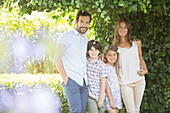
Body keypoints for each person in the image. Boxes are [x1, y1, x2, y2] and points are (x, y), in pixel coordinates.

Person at [55, 10, 91, 113]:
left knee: (82, 110)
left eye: (87, 22)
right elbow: (57, 58)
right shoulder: (65, 37)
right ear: (76, 21)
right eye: (82, 22)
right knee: (77, 110)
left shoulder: (86, 40)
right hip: (72, 80)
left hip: (83, 81)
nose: (84, 25)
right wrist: (66, 80)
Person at [113, 18, 148, 113]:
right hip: (125, 83)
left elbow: (140, 58)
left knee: (136, 110)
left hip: (139, 81)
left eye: (125, 27)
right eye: (120, 27)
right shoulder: (115, 47)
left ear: (128, 29)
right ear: (117, 29)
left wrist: (145, 70)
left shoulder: (136, 43)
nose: (123, 29)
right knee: (131, 111)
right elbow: (112, 63)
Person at [86, 40, 107, 113]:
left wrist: (101, 99)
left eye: (96, 50)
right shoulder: (85, 63)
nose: (93, 52)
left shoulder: (102, 65)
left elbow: (103, 83)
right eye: (91, 50)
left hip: (100, 96)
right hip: (90, 96)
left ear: (99, 51)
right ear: (88, 51)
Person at [103, 45, 122, 113]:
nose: (112, 57)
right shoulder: (105, 67)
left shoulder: (117, 67)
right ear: (105, 56)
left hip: (117, 96)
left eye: (114, 54)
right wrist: (111, 99)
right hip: (109, 97)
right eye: (109, 55)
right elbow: (105, 85)